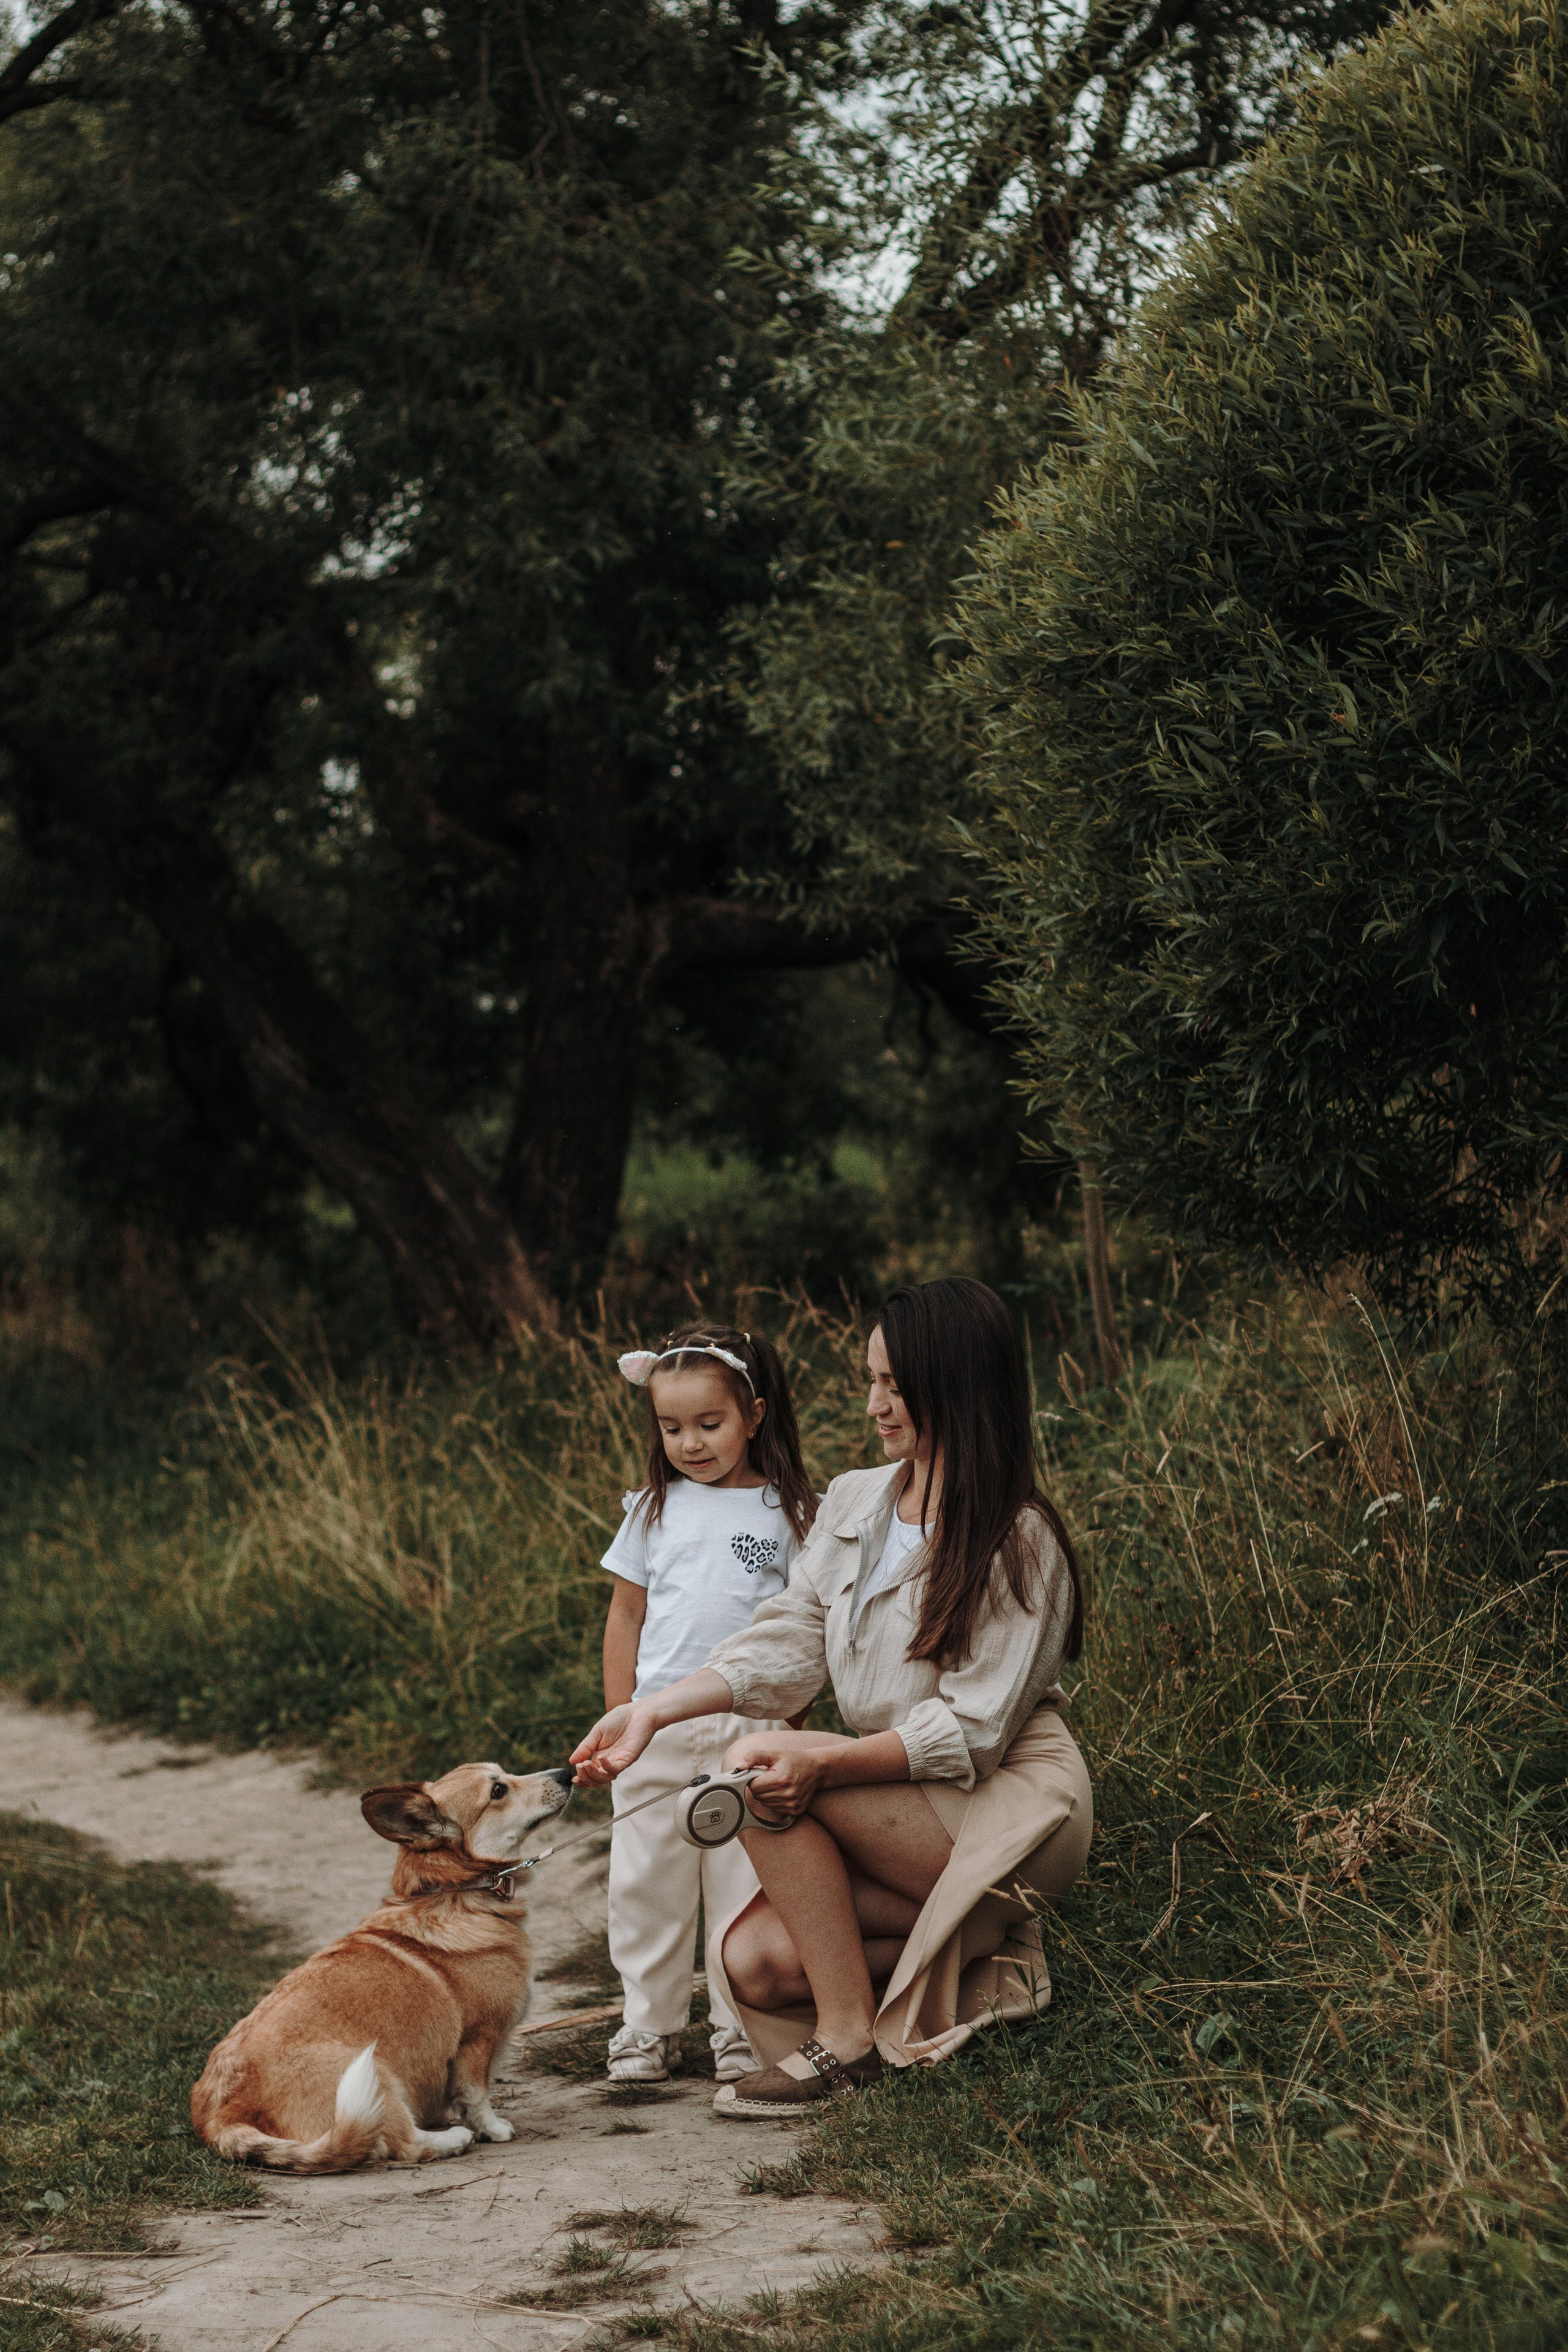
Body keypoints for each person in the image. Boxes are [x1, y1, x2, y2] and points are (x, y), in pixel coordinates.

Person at [573, 1275, 1091, 2119]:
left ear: (952, 1383)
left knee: (756, 1766)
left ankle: (849, 2039)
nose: (875, 1406)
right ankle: (990, 1961)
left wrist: (827, 1766)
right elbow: (787, 1637)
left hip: (1003, 1804)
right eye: (871, 1382)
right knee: (756, 1962)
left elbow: (976, 1732)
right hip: (896, 1797)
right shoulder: (857, 1500)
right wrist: (654, 1708)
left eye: (893, 1385)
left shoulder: (1018, 1536)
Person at [597, 1322, 817, 2084]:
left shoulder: (789, 1512)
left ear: (754, 1415)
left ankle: (736, 2026)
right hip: (653, 1725)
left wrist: (793, 1723)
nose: (689, 1443)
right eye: (670, 1428)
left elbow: (808, 1627)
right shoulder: (654, 1509)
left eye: (708, 1424)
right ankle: (646, 2028)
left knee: (743, 1880)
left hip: (748, 1724)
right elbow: (626, 1616)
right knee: (645, 1880)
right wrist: (620, 1712)